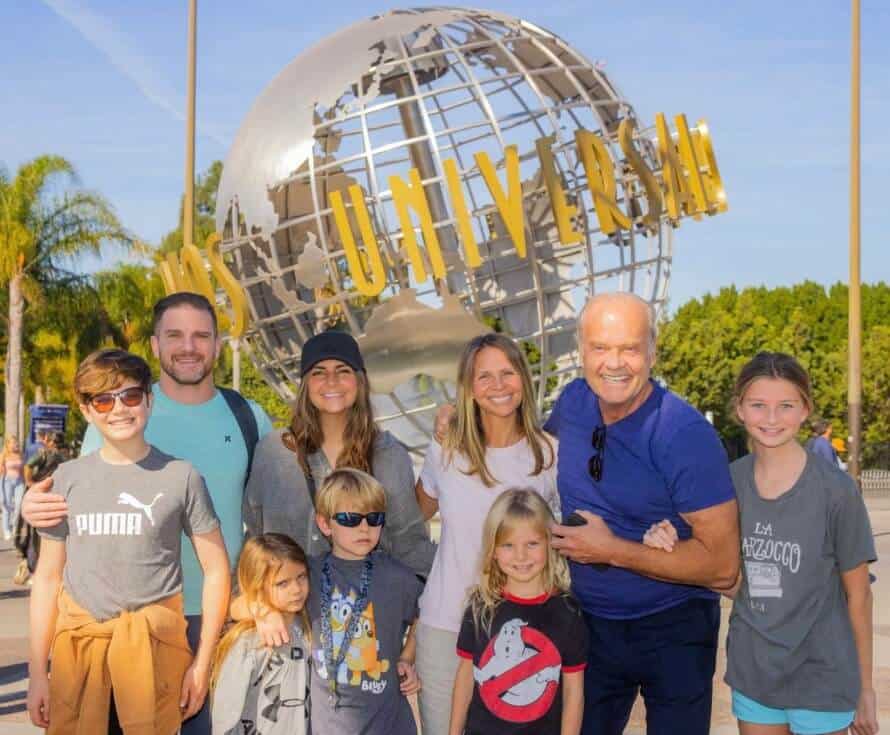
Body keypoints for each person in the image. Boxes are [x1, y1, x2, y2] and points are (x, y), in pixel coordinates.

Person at [21, 291, 273, 735]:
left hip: (220, 621)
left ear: (217, 345)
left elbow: (281, 518)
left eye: (201, 336)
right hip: (119, 624)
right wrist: (30, 504)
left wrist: (269, 598)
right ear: (155, 345)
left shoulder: (248, 417)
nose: (189, 346)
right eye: (175, 335)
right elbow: (78, 506)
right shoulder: (119, 409)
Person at [644, 352, 878, 735]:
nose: (771, 419)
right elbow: (731, 580)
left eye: (785, 405)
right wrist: (669, 543)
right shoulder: (726, 484)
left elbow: (859, 596)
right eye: (758, 405)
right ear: (739, 409)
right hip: (755, 672)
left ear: (805, 410)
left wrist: (865, 688)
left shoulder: (836, 491)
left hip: (822, 674)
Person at [545, 292, 740, 735]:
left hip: (674, 626)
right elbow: (522, 452)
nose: (614, 363)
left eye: (629, 348)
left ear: (651, 351)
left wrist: (613, 550)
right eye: (600, 348)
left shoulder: (684, 434)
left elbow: (724, 567)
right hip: (589, 625)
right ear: (581, 351)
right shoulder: (572, 403)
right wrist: (456, 422)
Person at [415, 332, 558, 735]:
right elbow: (415, 516)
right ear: (469, 389)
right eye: (484, 376)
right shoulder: (445, 450)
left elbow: (562, 540)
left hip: (523, 629)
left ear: (524, 381)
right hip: (446, 627)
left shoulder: (548, 455)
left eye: (507, 373)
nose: (498, 386)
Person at [242, 329, 434, 626]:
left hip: (365, 629)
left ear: (360, 381)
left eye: (342, 370)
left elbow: (408, 542)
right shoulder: (275, 452)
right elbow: (255, 539)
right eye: (319, 372)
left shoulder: (387, 454)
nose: (331, 381)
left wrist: (423, 623)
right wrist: (254, 608)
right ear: (305, 385)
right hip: (290, 626)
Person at [449, 489, 587, 735]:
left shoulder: (568, 611)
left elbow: (573, 691)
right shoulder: (481, 605)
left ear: (550, 543)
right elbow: (466, 675)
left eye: (532, 544)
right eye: (508, 545)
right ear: (493, 550)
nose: (521, 556)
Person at [211, 533, 311, 735]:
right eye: (282, 583)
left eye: (301, 577)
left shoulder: (308, 628)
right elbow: (225, 717)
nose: (297, 589)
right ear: (258, 585)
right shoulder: (247, 643)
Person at [1, 437, 25, 540]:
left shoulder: (20, 454)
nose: (16, 445)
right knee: (7, 506)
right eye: (13, 443)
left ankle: (15, 525)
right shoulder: (4, 455)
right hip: (7, 481)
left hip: (19, 482)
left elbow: (23, 469)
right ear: (8, 444)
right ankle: (6, 529)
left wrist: (26, 481)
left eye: (16, 443)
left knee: (19, 504)